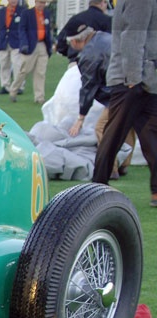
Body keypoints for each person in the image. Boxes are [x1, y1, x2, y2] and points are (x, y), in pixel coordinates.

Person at [92, 0, 157, 206]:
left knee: (151, 136)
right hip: (131, 80)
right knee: (113, 136)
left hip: (144, 80)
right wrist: (133, 78)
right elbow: (132, 37)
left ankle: (156, 191)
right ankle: (96, 187)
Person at [68, 26, 112, 137]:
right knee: (127, 128)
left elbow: (88, 86)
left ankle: (109, 155)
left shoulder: (89, 55)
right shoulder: (103, 36)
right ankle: (126, 153)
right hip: (139, 83)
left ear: (74, 41)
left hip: (122, 91)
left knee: (102, 128)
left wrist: (80, 118)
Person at [9, 0, 53, 104]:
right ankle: (13, 90)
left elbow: (48, 30)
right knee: (24, 70)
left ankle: (39, 97)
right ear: (35, 2)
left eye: (43, 3)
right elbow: (22, 29)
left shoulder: (46, 13)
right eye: (40, 2)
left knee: (40, 72)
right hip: (30, 46)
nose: (42, 5)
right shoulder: (27, 13)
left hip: (42, 45)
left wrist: (50, 46)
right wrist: (24, 44)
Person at [0, 0, 24, 95]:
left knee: (17, 65)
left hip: (17, 43)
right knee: (4, 65)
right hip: (3, 42)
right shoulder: (1, 12)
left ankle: (19, 86)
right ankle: (5, 86)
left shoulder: (22, 11)